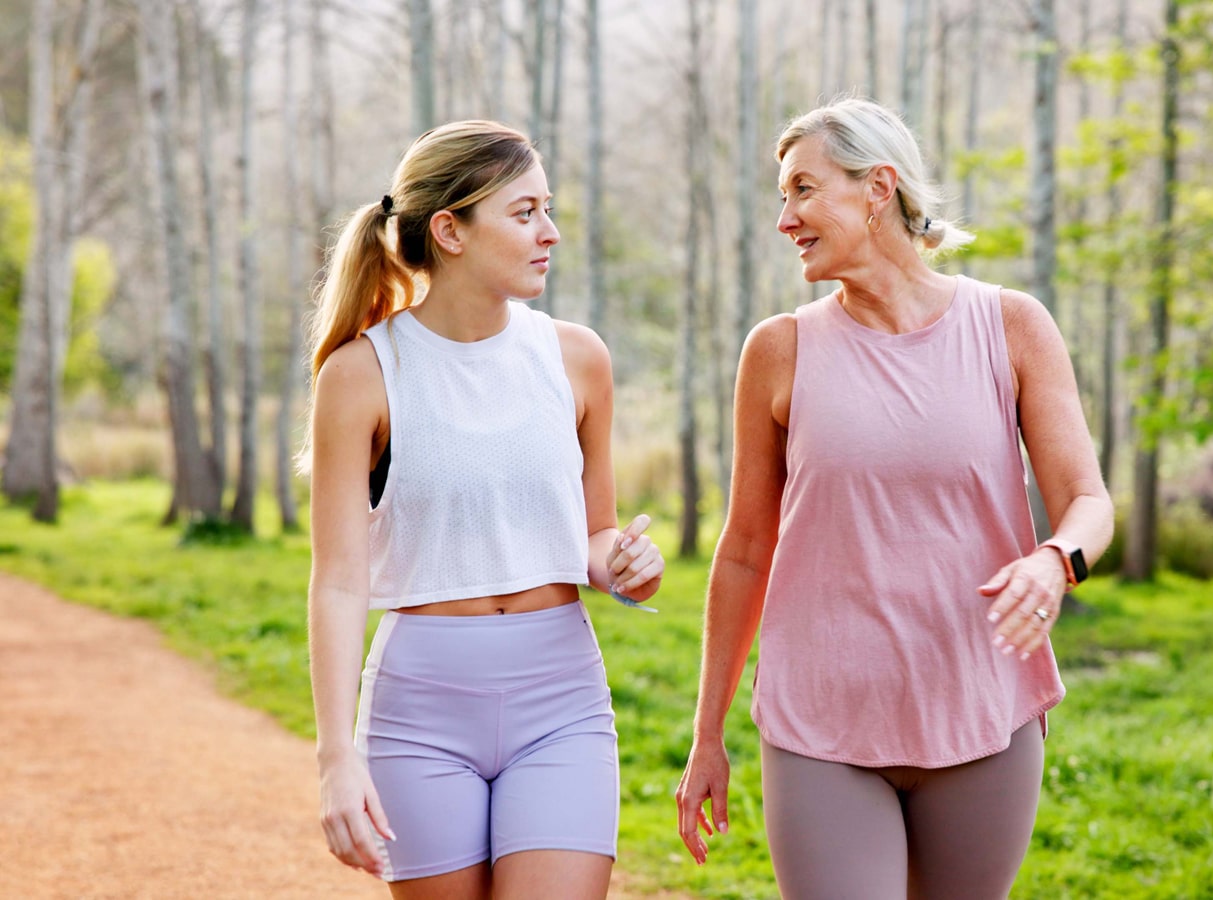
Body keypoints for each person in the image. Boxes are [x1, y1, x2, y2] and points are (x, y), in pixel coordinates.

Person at [674, 98, 1115, 899]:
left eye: (803, 190)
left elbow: (1088, 500)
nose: (786, 218)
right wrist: (708, 734)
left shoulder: (1011, 326)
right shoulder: (778, 351)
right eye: (783, 196)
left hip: (982, 708)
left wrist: (1056, 564)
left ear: (878, 188)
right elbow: (743, 551)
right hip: (822, 726)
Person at [305, 120, 664, 899]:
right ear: (450, 230)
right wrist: (338, 757)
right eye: (526, 212)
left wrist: (626, 564)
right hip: (419, 711)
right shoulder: (361, 375)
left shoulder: (578, 358)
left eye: (549, 209)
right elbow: (337, 581)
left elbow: (594, 535)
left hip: (561, 702)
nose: (551, 232)